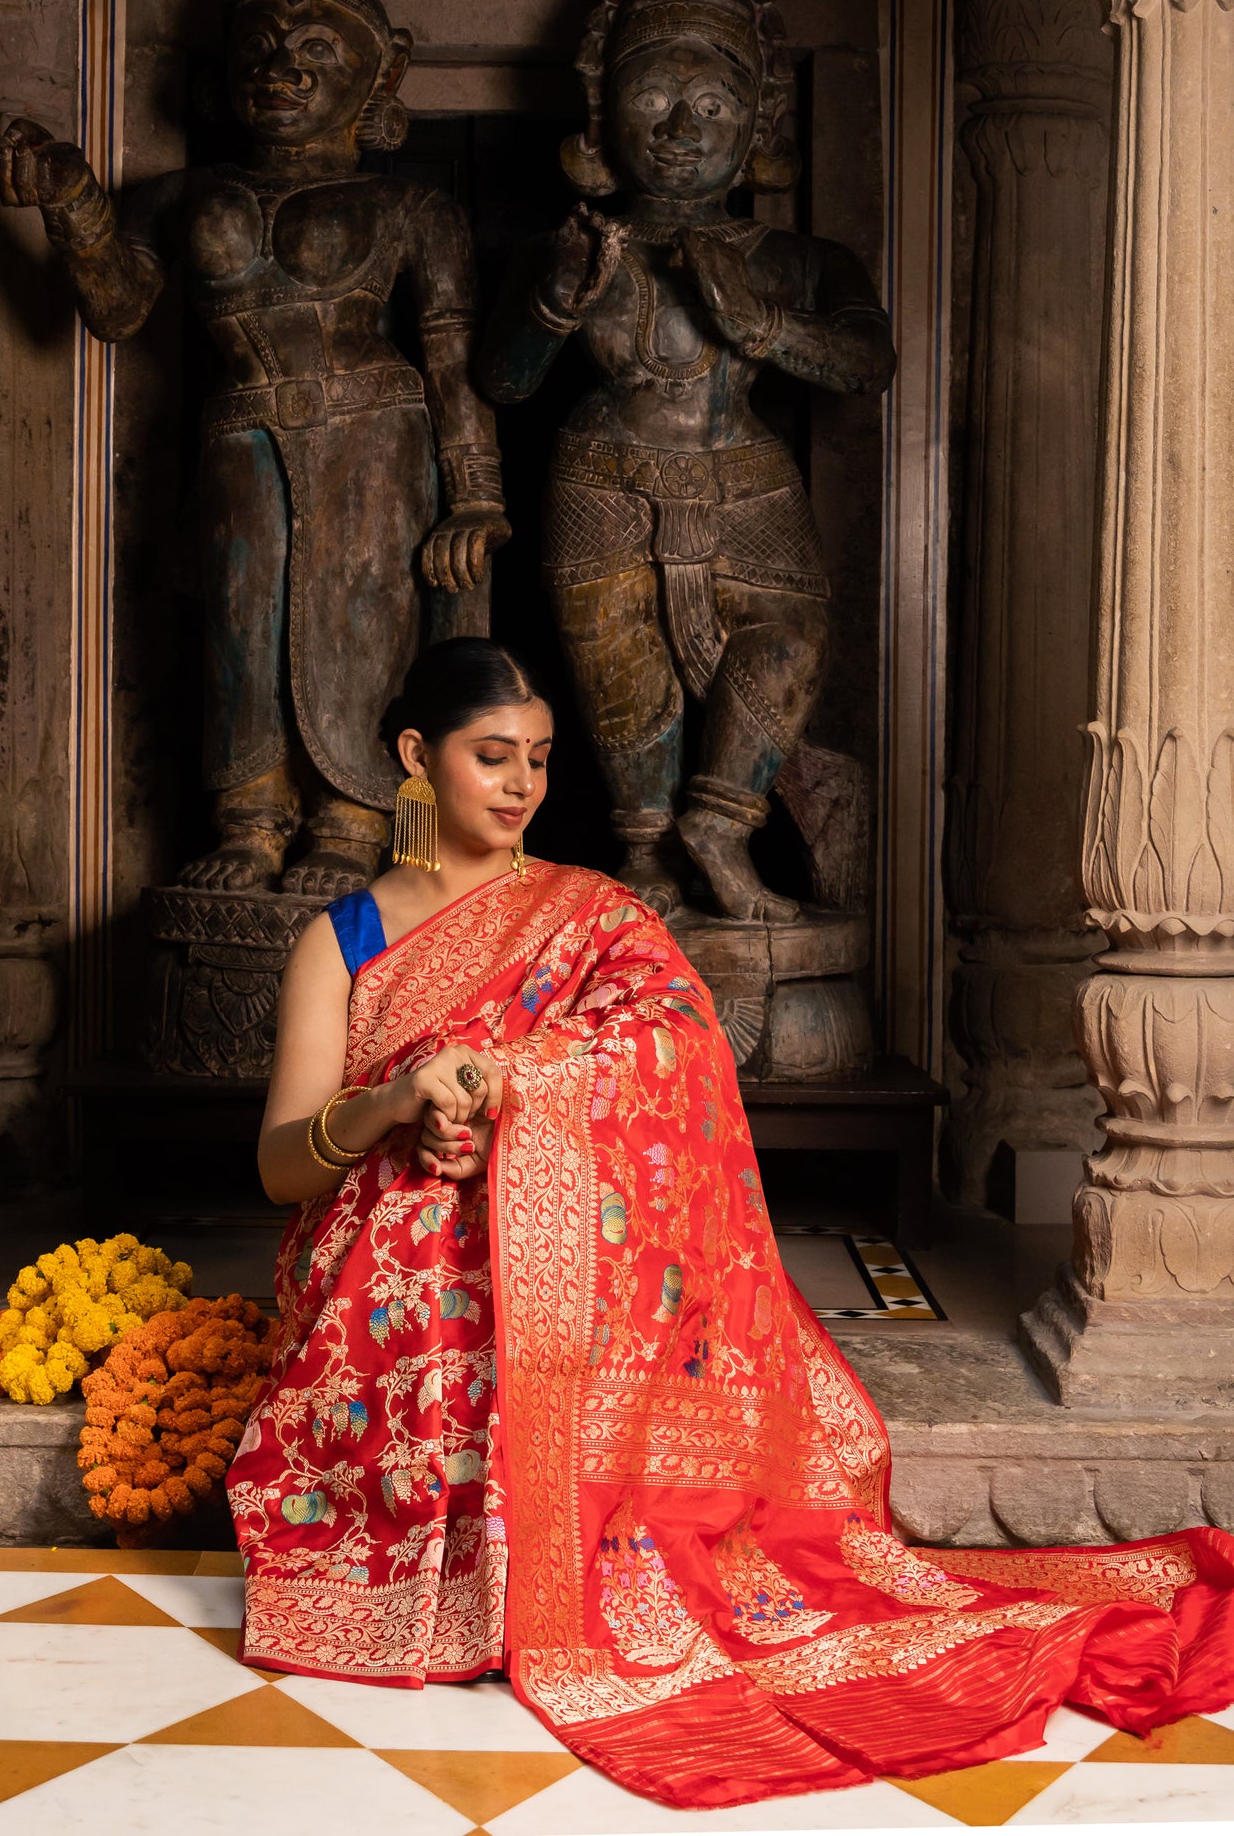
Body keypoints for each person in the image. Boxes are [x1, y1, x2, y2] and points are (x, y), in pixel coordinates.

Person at [229, 638, 1234, 1811]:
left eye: (540, 762)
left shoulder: (588, 916)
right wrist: (397, 1103)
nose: (519, 786)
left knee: (544, 1249)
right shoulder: (339, 940)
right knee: (423, 1259)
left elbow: (673, 1046)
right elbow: (278, 1166)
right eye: (490, 755)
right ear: (415, 755)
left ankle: (548, 1542)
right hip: (385, 1262)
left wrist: (510, 1088)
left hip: (553, 1255)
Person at [0, 0, 507, 898]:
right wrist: (70, 200)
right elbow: (116, 307)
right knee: (241, 626)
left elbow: (454, 361)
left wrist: (475, 497)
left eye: (315, 49)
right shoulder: (186, 197)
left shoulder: (411, 207)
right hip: (239, 433)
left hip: (375, 437)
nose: (283, 68)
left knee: (363, 621)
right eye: (260, 48)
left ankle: (353, 819)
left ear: (378, 72)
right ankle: (253, 818)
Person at [480, 0, 894, 920]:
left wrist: (759, 325)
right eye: (653, 98)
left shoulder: (799, 258)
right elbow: (501, 380)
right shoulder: (572, 246)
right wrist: (553, 308)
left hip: (744, 472)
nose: (678, 127)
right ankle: (646, 859)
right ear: (600, 116)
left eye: (711, 102)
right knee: (621, 674)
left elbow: (866, 361)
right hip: (602, 475)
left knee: (789, 638)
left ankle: (720, 821)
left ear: (756, 124)